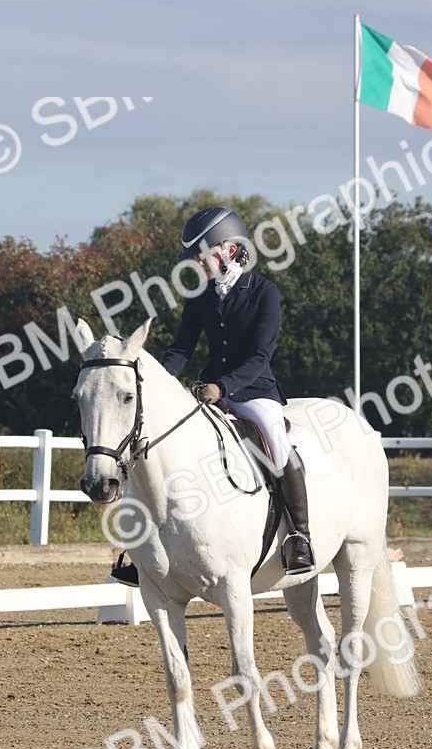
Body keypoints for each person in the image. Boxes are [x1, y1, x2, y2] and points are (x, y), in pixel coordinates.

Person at [110, 206, 315, 588]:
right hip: (208, 394)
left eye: (202, 255)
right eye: (195, 256)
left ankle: (300, 536)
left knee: (277, 441)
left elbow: (260, 356)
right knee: (159, 450)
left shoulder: (264, 293)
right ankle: (146, 551)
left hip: (253, 391)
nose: (197, 263)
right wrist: (154, 379)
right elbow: (181, 350)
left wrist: (225, 386)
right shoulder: (200, 296)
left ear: (230, 249)